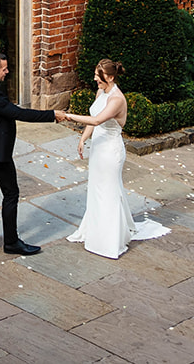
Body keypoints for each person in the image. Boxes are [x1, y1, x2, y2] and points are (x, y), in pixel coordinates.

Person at [54, 58, 170, 258]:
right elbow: (94, 119)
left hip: (110, 152)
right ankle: (96, 230)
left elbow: (98, 119)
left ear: (109, 77)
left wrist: (68, 116)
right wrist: (83, 138)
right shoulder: (101, 92)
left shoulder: (117, 99)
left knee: (108, 191)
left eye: (98, 77)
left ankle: (108, 240)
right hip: (98, 149)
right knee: (97, 190)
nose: (94, 80)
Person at [0, 50, 60, 257]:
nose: (7, 72)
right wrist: (52, 114)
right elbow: (20, 113)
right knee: (11, 194)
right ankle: (11, 242)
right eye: (4, 69)